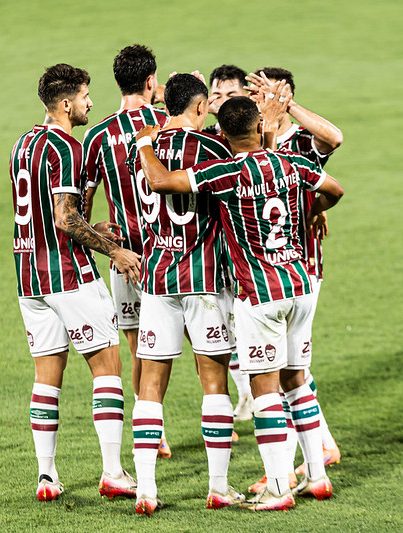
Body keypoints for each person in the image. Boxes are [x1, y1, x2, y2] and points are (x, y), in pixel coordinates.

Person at [134, 87, 345, 511]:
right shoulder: (291, 162)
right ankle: (316, 476)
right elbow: (336, 190)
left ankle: (278, 488)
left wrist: (143, 141)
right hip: (301, 284)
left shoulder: (227, 172)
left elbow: (161, 181)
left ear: (226, 136)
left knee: (264, 389)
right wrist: (308, 209)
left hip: (260, 292)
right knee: (296, 378)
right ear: (260, 127)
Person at [9, 63, 141, 502]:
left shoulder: (22, 145)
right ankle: (112, 473)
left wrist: (93, 226)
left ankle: (46, 476)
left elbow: (51, 213)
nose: (89, 103)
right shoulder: (65, 146)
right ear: (66, 104)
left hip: (29, 278)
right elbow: (65, 218)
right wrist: (113, 249)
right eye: (85, 96)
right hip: (69, 275)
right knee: (107, 367)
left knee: (46, 378)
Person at [125, 73, 242, 515]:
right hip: (205, 281)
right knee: (213, 382)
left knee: (151, 387)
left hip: (157, 279)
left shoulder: (145, 150)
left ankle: (146, 489)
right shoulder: (213, 149)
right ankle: (217, 487)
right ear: (198, 106)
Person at [243, 67, 344, 493]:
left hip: (293, 270)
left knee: (279, 372)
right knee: (292, 370)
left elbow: (334, 138)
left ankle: (281, 469)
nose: (259, 97)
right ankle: (319, 452)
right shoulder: (250, 138)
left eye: (267, 91)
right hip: (277, 271)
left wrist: (288, 106)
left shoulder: (301, 142)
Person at [82, 45, 174, 458]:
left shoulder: (97, 134)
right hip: (174, 253)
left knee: (139, 345)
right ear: (151, 81)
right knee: (201, 346)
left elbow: (81, 207)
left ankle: (151, 429)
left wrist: (98, 233)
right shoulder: (169, 122)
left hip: (127, 256)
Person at [202, 64, 254, 421]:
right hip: (214, 249)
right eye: (215, 96)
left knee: (245, 324)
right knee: (222, 326)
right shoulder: (204, 140)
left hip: (248, 250)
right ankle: (247, 393)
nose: (222, 103)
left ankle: (256, 392)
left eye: (230, 95)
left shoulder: (255, 137)